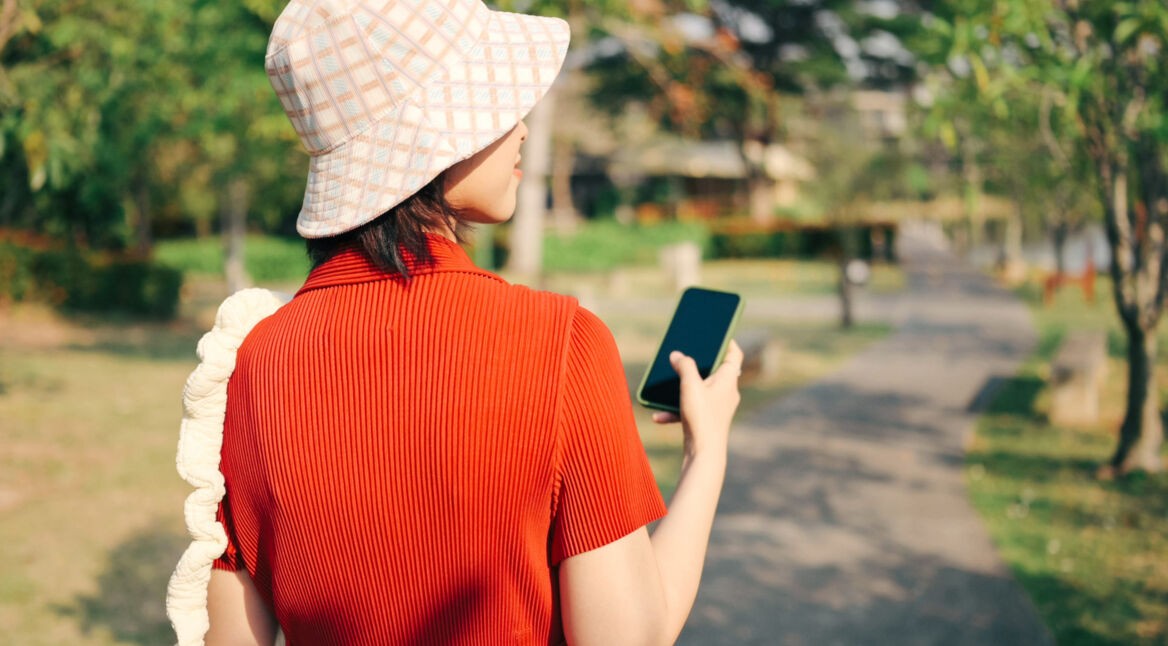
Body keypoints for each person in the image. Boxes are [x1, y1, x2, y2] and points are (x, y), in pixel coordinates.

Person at [178, 1, 743, 644]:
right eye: (496, 107)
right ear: (435, 142)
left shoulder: (250, 363)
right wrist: (706, 451)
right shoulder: (560, 342)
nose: (522, 129)